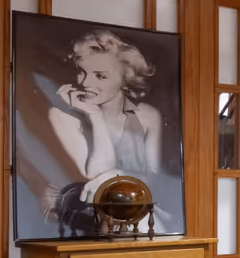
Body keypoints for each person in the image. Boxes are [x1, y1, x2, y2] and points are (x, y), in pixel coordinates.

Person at [47, 29, 165, 181]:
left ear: (126, 79)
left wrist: (121, 176)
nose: (85, 82)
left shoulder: (148, 117)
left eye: (100, 76)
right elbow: (97, 177)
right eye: (82, 72)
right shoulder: (62, 116)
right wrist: (95, 116)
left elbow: (154, 180)